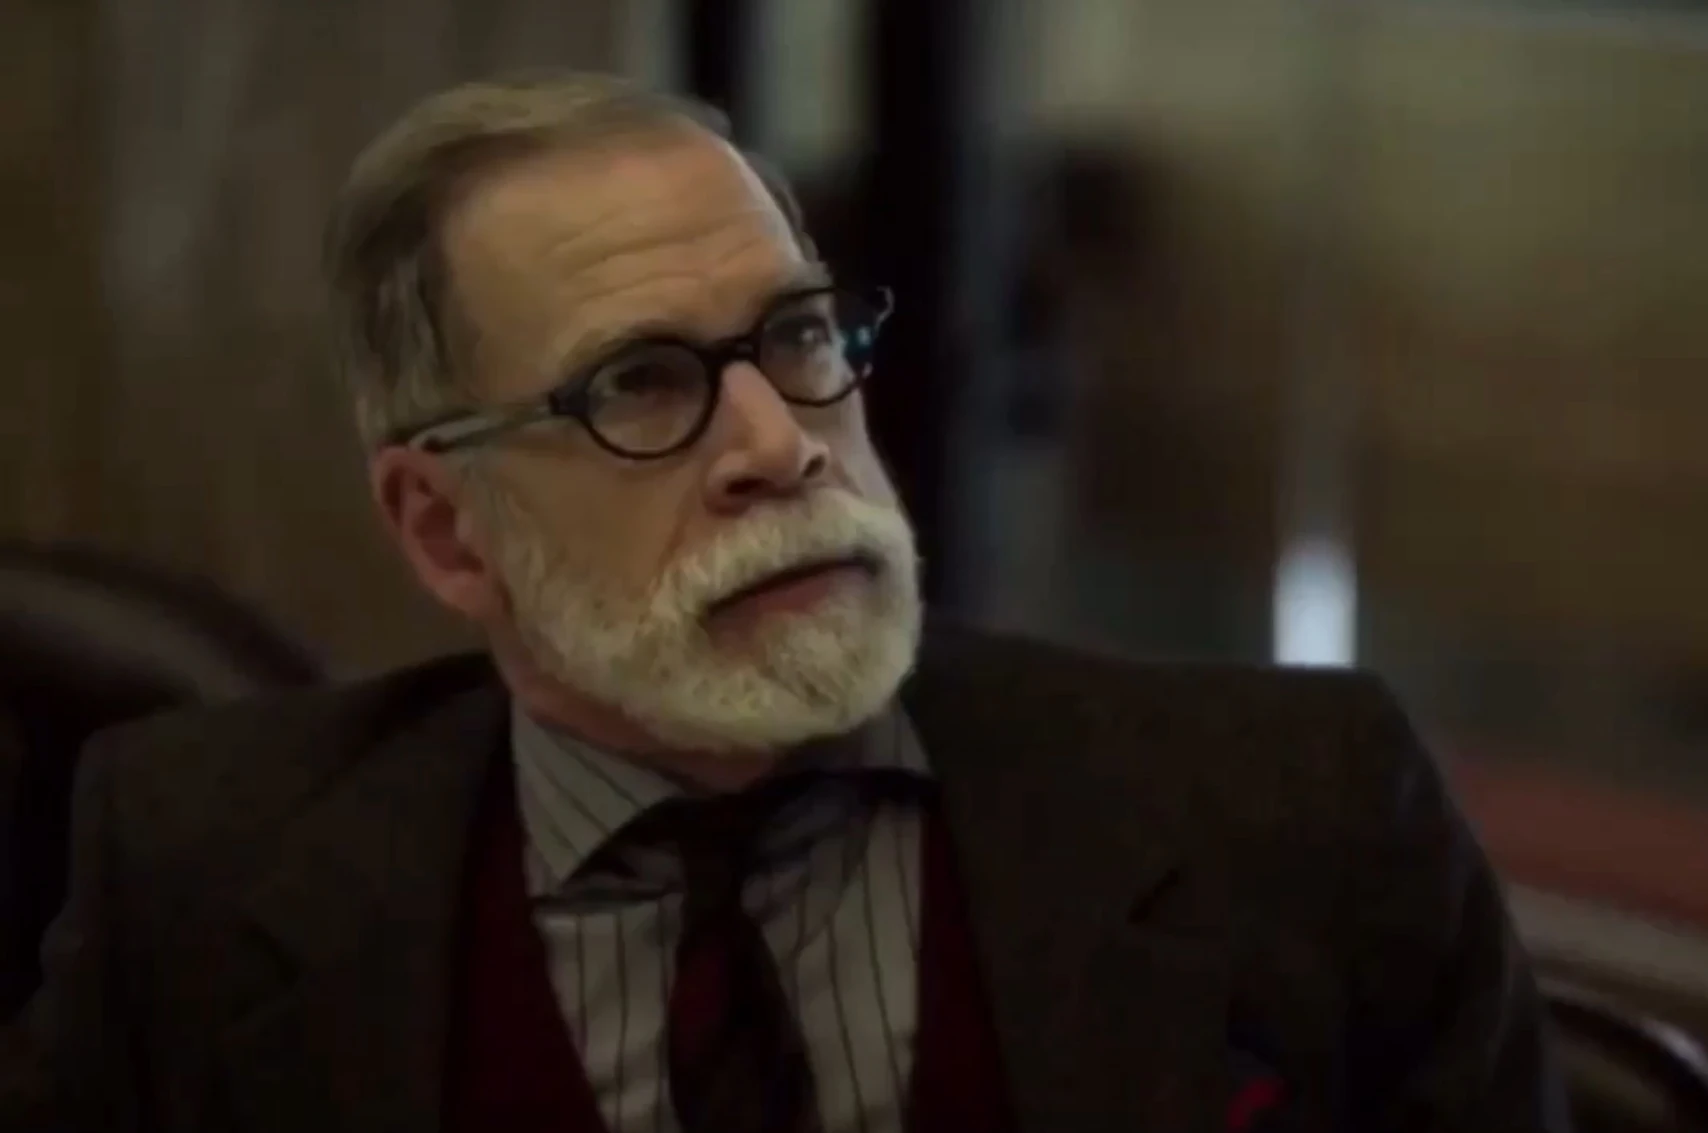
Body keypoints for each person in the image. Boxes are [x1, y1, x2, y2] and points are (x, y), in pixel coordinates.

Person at [1, 73, 1568, 1132]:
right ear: (447, 530)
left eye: (801, 339)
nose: (777, 445)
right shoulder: (194, 869)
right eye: (641, 384)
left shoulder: (1303, 815)